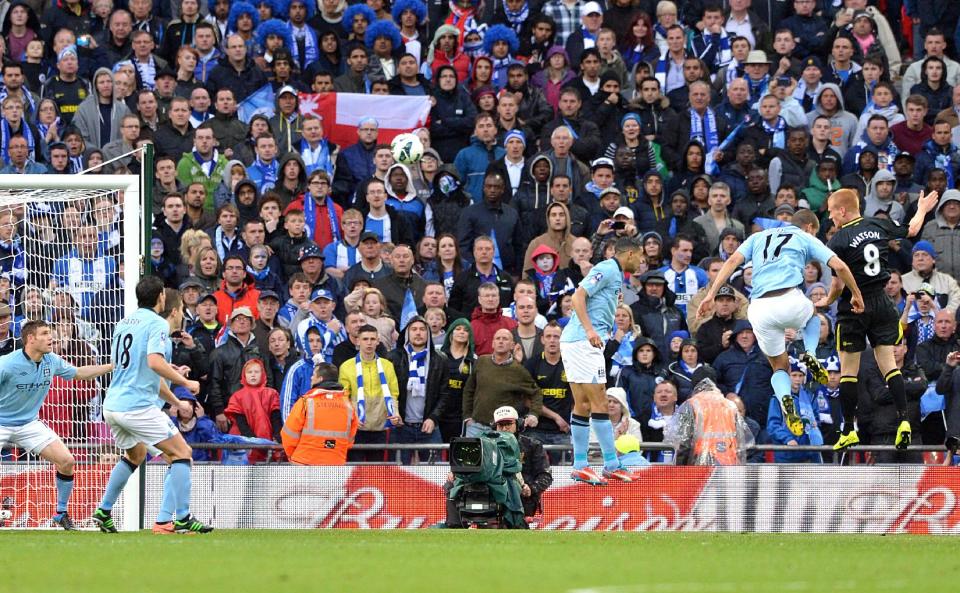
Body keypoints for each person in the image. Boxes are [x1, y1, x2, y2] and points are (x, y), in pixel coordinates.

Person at [698, 208, 864, 440]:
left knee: (779, 366)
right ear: (809, 227)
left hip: (759, 308)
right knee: (813, 316)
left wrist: (710, 294)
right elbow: (840, 266)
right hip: (789, 298)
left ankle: (786, 401)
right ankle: (811, 354)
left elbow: (733, 260)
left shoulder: (757, 237)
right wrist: (856, 293)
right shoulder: (804, 237)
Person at [819, 188, 940, 451]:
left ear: (842, 210)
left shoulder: (838, 240)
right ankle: (905, 421)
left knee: (848, 371)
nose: (830, 217)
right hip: (883, 303)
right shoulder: (877, 224)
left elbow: (838, 284)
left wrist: (825, 301)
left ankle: (849, 430)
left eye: (831, 211)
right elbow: (911, 229)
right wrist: (921, 208)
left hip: (855, 305)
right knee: (889, 365)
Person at [93, 277, 212, 534]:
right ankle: (181, 518)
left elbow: (148, 374)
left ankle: (103, 511)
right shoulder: (157, 324)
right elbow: (155, 364)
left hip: (113, 405)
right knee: (182, 453)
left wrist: (176, 401)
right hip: (137, 406)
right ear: (161, 297)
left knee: (135, 456)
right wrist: (186, 383)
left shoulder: (124, 323)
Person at [0, 320, 112, 530]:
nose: (51, 337)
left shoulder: (51, 360)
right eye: (45, 333)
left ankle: (60, 514)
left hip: (28, 423)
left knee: (67, 461)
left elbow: (79, 373)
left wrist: (112, 366)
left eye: (50, 333)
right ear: (31, 339)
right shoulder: (7, 364)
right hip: (1, 421)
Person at [560, 236, 644, 485]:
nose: (641, 262)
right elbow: (578, 297)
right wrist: (590, 330)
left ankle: (580, 466)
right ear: (629, 254)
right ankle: (611, 463)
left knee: (583, 404)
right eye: (639, 256)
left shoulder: (616, 275)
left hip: (576, 342)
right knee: (599, 401)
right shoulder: (607, 268)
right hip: (584, 342)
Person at [387, 316, 450, 464]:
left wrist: (433, 418)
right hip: (401, 426)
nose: (418, 333)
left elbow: (445, 394)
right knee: (396, 476)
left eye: (422, 329)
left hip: (429, 425)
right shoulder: (393, 358)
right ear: (407, 333)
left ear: (428, 333)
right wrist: (394, 413)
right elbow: (387, 391)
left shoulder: (440, 359)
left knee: (435, 475)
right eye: (413, 329)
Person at [338, 324, 401, 462]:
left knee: (375, 472)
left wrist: (395, 413)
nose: (369, 343)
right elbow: (343, 398)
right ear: (358, 341)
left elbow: (393, 394)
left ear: (378, 341)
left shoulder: (387, 365)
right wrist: (352, 416)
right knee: (356, 472)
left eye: (373, 339)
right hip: (357, 428)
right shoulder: (346, 367)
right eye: (365, 339)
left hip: (380, 427)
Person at [462, 329, 541, 436]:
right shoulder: (481, 361)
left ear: (512, 345)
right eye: (498, 338)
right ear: (493, 343)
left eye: (505, 339)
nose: (501, 341)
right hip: (476, 426)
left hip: (503, 428)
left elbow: (536, 393)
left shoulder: (518, 370)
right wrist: (467, 416)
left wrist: (534, 414)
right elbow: (469, 390)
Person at [281, 362, 358, 465]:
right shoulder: (348, 406)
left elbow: (288, 435)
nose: (311, 378)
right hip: (335, 463)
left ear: (320, 379)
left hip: (304, 463)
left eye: (313, 375)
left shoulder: (305, 402)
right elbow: (350, 439)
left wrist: (293, 457)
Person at [664, 378, 753, 466]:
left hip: (701, 465)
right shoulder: (730, 405)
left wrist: (680, 467)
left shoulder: (692, 404)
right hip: (728, 464)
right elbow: (743, 441)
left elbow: (684, 442)